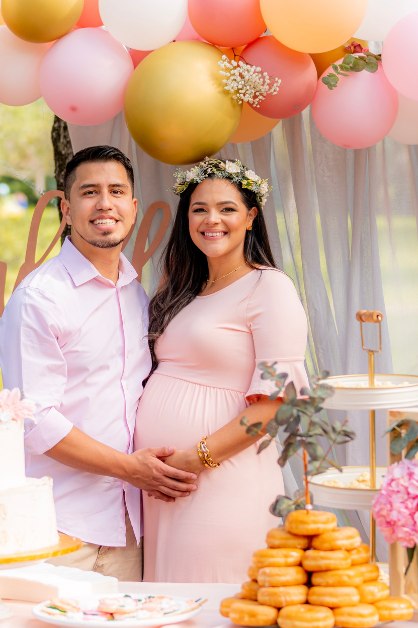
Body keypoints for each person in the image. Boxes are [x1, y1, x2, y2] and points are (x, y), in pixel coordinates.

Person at [0, 145, 198, 581]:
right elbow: (36, 422)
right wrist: (131, 469)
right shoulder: (40, 299)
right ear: (67, 209)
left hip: (131, 525)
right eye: (90, 192)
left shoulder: (134, 291)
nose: (105, 203)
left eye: (116, 191)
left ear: (133, 206)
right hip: (62, 527)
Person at [135, 157, 310, 583]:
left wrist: (193, 460)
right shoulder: (183, 289)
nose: (212, 219)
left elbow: (275, 405)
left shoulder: (269, 287)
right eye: (199, 209)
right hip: (166, 484)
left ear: (251, 217)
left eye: (227, 208)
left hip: (220, 479)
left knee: (212, 602)